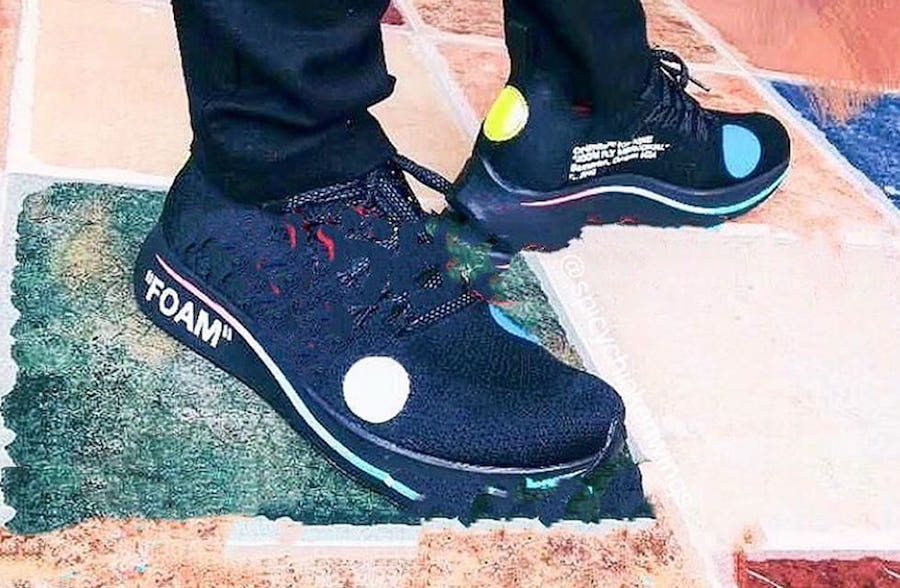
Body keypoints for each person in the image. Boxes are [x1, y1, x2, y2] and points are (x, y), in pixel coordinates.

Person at [133, 0, 789, 519]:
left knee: (589, 74)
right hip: (262, 190)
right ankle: (278, 173)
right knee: (279, 141)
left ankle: (587, 93)